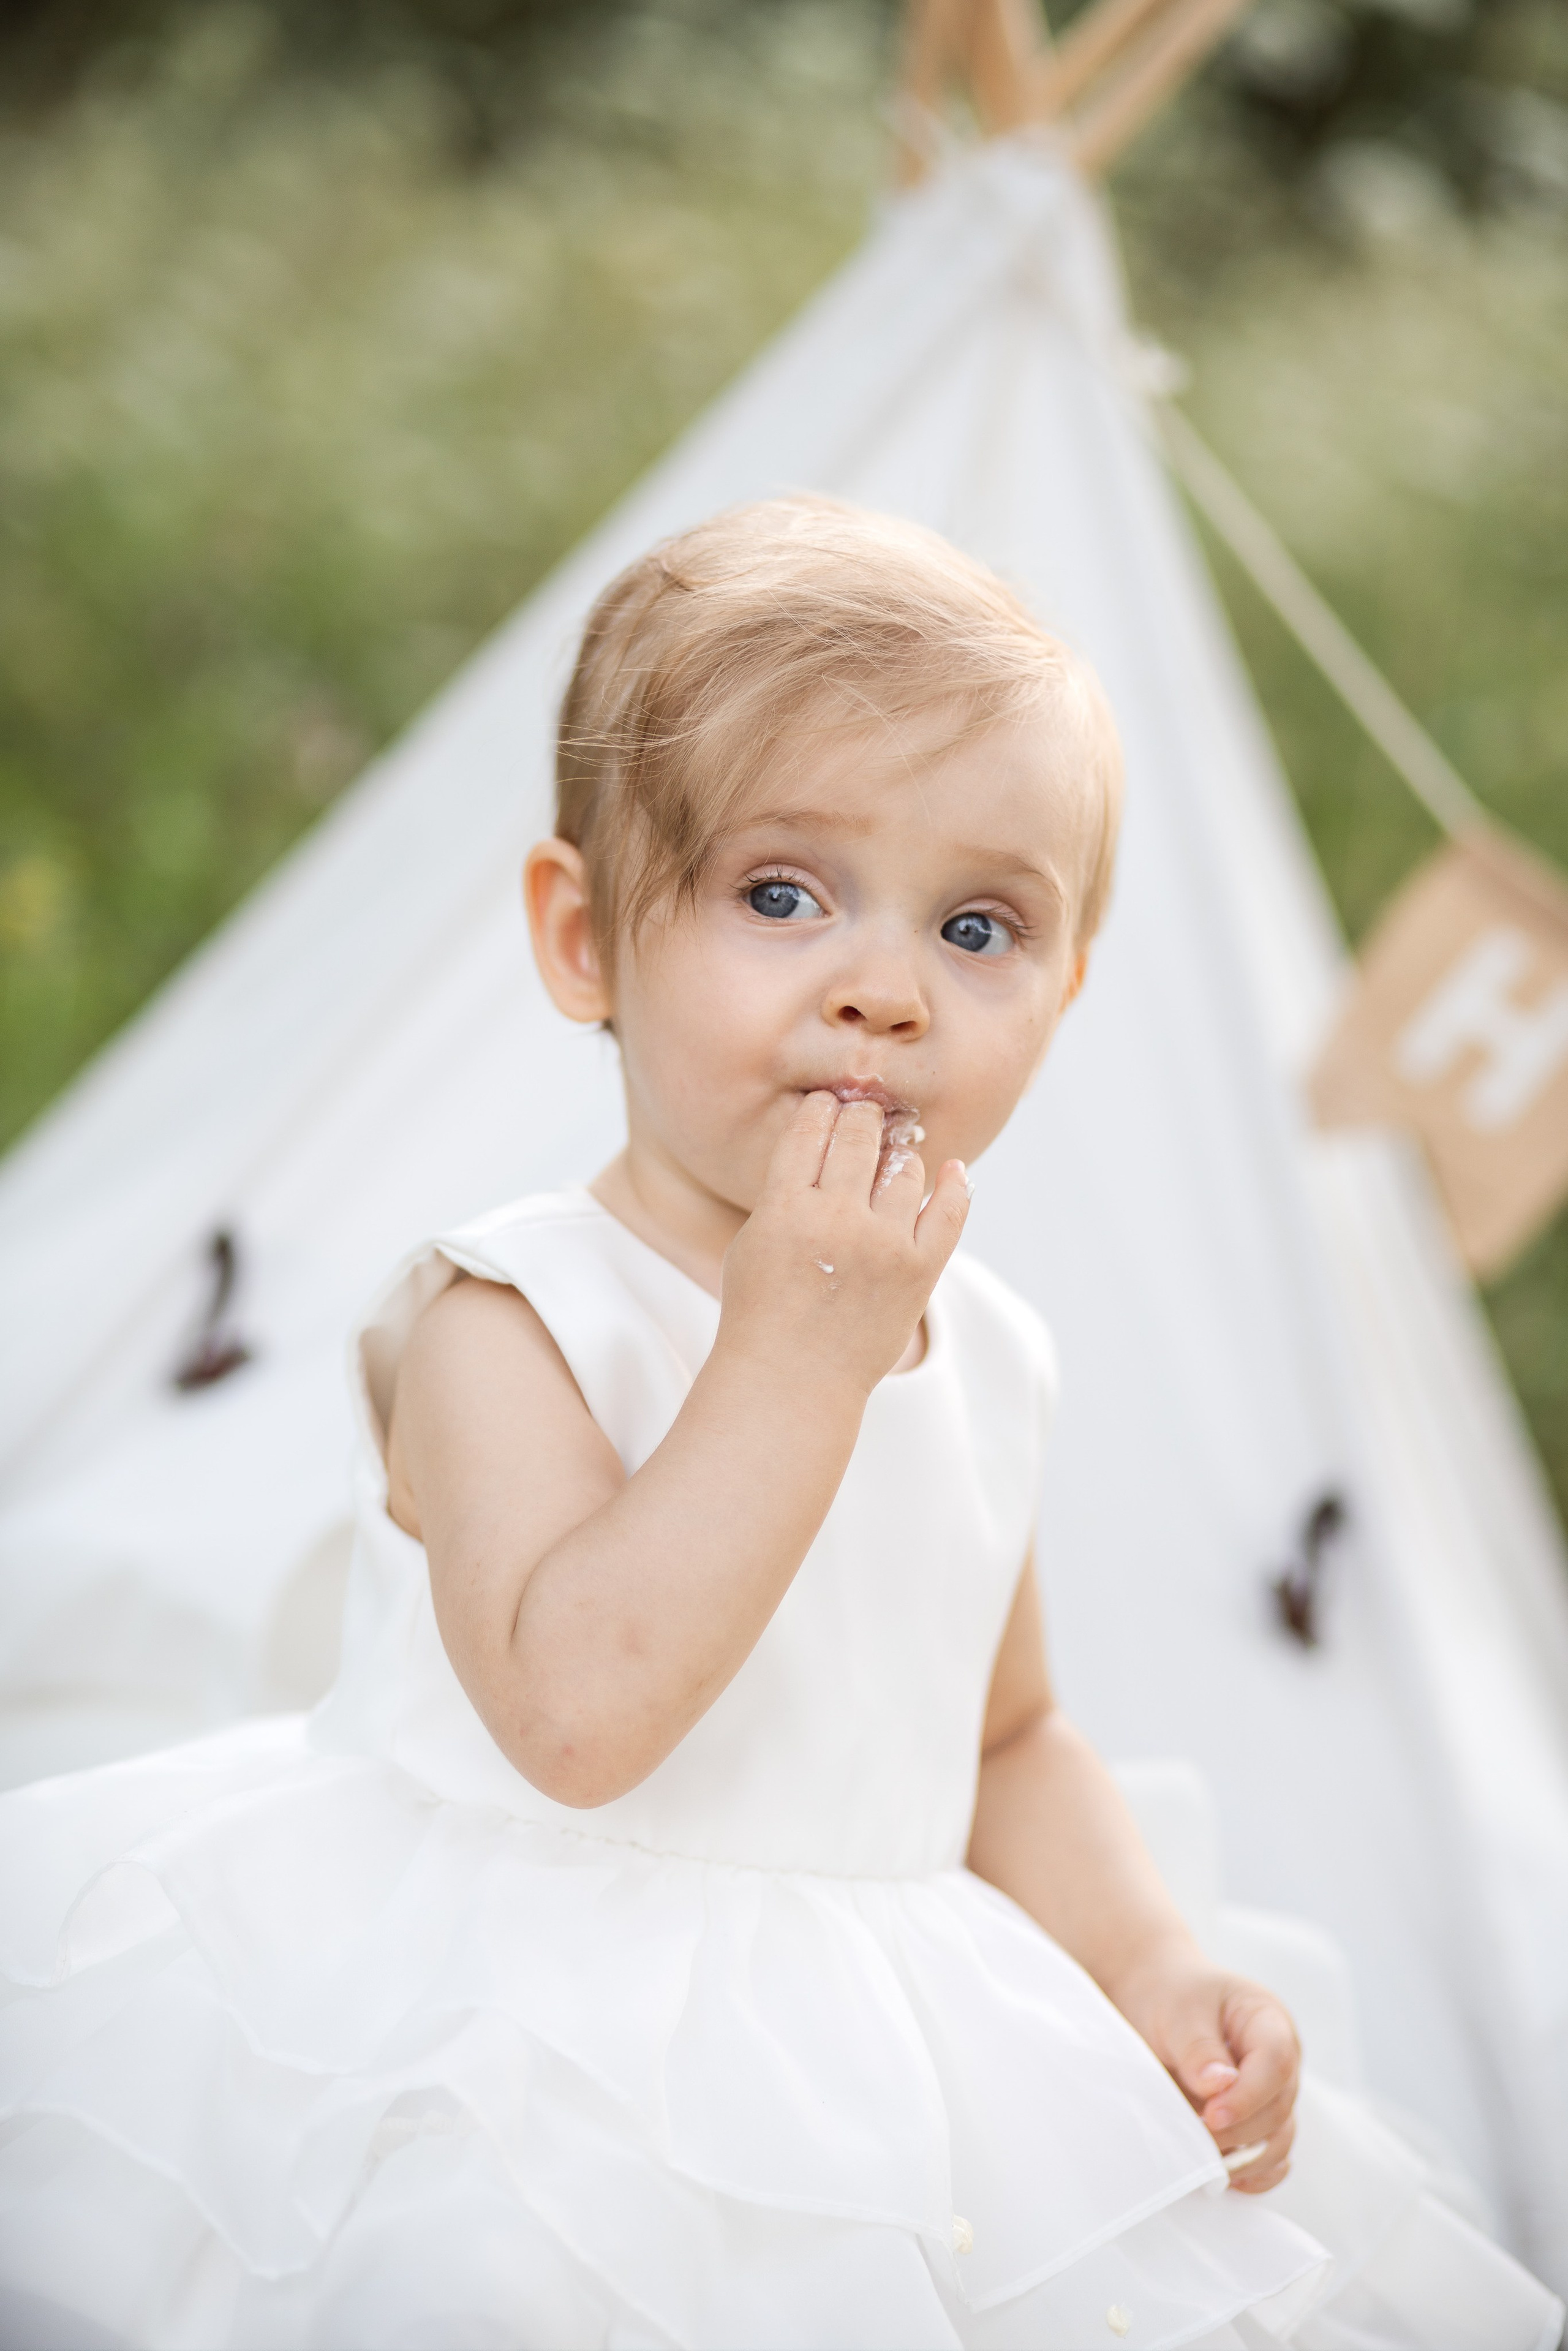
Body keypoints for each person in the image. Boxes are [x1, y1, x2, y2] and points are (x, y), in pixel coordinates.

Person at [0, 499, 1559, 2351]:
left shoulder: (982, 1347)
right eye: (780, 895)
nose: (884, 987)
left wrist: (1149, 1962)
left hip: (879, 2050)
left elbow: (1007, 1734)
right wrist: (796, 1356)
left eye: (981, 927)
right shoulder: (508, 1316)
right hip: (515, 2051)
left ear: (1060, 1000)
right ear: (586, 942)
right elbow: (579, 1715)